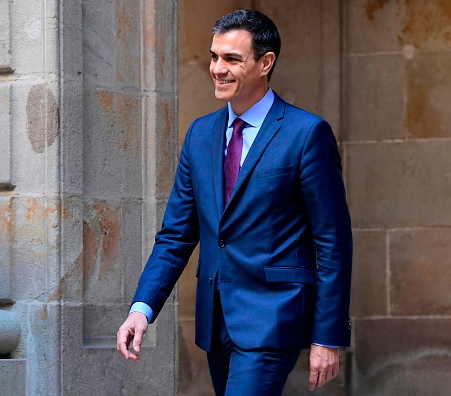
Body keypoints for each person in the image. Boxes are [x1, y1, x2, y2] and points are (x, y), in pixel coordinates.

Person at [117, 9, 352, 395]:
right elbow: (176, 236)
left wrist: (326, 336)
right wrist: (141, 309)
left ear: (266, 63)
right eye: (214, 57)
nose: (218, 69)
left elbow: (333, 242)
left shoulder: (307, 134)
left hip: (273, 316)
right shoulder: (200, 134)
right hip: (215, 321)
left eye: (232, 59)